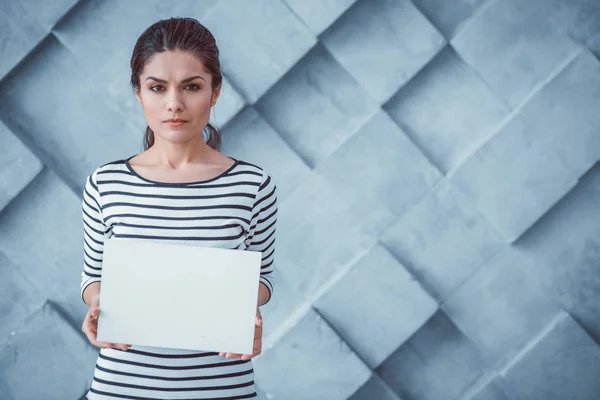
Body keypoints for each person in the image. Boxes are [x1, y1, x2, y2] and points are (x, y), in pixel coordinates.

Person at [79, 17, 278, 399]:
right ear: (139, 93)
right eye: (157, 87)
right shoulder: (105, 184)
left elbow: (263, 280)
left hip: (222, 388)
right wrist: (98, 304)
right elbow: (91, 278)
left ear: (215, 91)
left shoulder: (253, 186)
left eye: (191, 86)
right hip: (121, 388)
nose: (174, 104)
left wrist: (244, 311)